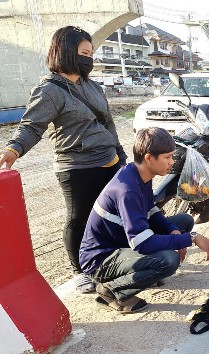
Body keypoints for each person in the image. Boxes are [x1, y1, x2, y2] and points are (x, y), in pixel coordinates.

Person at [0, 26, 127, 293]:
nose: (89, 59)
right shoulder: (49, 90)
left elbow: (108, 123)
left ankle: (110, 261)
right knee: (79, 218)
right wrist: (13, 150)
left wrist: (120, 154)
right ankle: (79, 271)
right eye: (83, 53)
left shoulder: (91, 86)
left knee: (111, 215)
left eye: (91, 54)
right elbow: (32, 126)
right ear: (66, 52)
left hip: (110, 161)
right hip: (78, 166)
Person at [79, 127, 209, 314]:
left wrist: (172, 231)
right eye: (167, 157)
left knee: (183, 222)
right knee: (168, 260)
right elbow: (142, 243)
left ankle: (146, 273)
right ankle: (111, 291)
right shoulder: (127, 190)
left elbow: (151, 212)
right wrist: (191, 238)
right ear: (149, 158)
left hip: (123, 241)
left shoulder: (141, 174)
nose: (172, 162)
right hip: (102, 258)